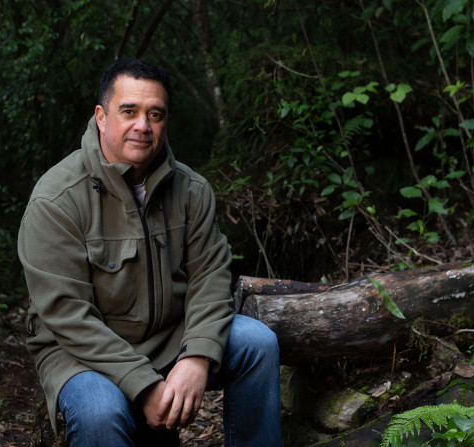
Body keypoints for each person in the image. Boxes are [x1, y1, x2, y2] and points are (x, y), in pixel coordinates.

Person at [17, 58, 283, 447]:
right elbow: (68, 317)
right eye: (129, 111)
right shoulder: (56, 199)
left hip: (170, 338)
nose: (143, 125)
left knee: (258, 344)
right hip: (82, 354)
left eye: (155, 114)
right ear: (101, 117)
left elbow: (211, 278)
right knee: (99, 413)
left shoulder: (192, 190)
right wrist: (145, 387)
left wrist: (197, 356)